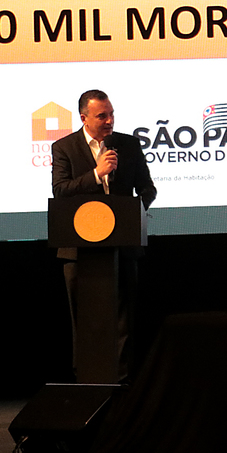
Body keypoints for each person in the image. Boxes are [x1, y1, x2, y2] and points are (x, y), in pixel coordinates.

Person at [52, 89, 158, 382]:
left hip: (122, 246)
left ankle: (121, 382)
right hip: (78, 251)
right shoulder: (64, 147)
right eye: (102, 116)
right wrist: (97, 174)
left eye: (111, 114)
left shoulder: (128, 145)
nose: (110, 121)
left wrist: (132, 214)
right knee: (84, 320)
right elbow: (60, 190)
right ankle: (86, 381)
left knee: (123, 321)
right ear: (84, 118)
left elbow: (148, 189)